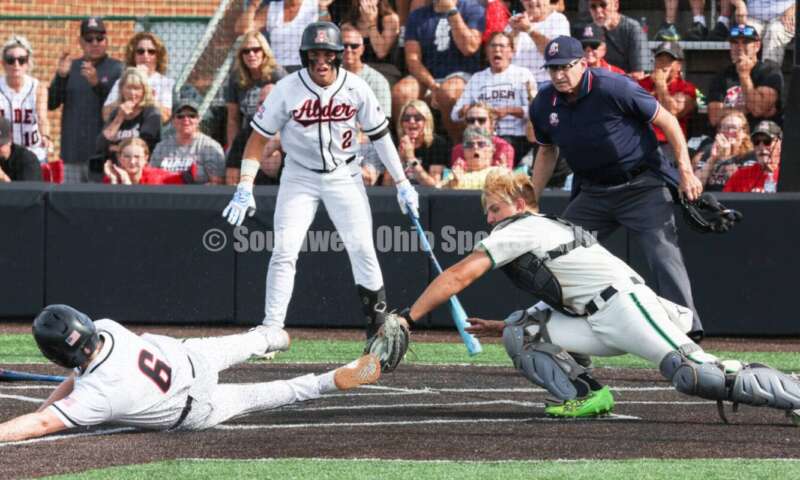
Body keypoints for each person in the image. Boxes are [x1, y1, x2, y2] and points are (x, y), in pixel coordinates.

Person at [384, 168, 800, 420]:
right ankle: (586, 396)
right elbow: (563, 289)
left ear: (514, 203)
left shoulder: (524, 226)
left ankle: (793, 391)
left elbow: (458, 276)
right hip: (596, 316)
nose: (489, 219)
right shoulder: (543, 227)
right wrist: (501, 323)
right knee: (520, 331)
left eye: (492, 209)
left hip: (625, 306)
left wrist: (408, 317)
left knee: (696, 376)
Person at [221, 22, 419, 343]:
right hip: (299, 176)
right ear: (305, 57)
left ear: (339, 56)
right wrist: (245, 184)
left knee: (363, 249)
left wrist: (401, 182)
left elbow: (381, 136)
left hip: (346, 174)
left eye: (328, 54)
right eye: (315, 54)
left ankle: (378, 327)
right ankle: (272, 329)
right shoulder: (286, 88)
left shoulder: (356, 87)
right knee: (284, 250)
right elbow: (257, 139)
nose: (322, 61)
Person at [529, 36, 705, 340]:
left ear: (583, 64)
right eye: (552, 68)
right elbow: (547, 152)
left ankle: (687, 334)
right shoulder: (545, 103)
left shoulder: (614, 87)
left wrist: (686, 172)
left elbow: (669, 122)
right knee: (558, 253)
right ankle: (557, 331)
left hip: (641, 187)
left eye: (565, 67)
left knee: (663, 256)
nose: (558, 75)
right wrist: (529, 200)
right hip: (593, 193)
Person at [0, 304, 380, 442]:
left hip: (192, 406)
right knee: (249, 341)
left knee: (272, 394)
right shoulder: (107, 325)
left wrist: (36, 412)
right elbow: (79, 373)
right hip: (190, 356)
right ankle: (273, 337)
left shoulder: (95, 397)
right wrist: (46, 404)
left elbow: (41, 424)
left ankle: (329, 379)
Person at [391, 0, 485, 140]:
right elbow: (412, 59)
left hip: (463, 75)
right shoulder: (417, 16)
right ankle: (408, 150)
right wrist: (433, 86)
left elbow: (469, 48)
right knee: (401, 92)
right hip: (428, 77)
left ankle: (460, 150)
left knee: (448, 93)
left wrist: (452, 11)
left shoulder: (473, 9)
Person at [49, 16, 123, 184]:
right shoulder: (71, 67)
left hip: (102, 156)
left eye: (99, 38)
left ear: (106, 40)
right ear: (81, 42)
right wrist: (61, 77)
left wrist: (97, 85)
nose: (95, 43)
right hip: (73, 152)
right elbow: (51, 103)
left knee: (98, 206)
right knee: (71, 205)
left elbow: (118, 108)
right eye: (89, 39)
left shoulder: (117, 69)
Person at [451, 32, 537, 166]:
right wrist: (470, 110)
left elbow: (535, 110)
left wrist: (509, 111)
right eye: (493, 46)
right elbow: (454, 115)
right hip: (481, 138)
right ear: (487, 52)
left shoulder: (522, 75)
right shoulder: (477, 78)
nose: (497, 50)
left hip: (515, 137)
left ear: (511, 52)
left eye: (502, 46)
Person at [224, 30, 287, 186]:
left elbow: (289, 109)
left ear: (264, 52)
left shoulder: (277, 75)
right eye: (246, 51)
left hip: (276, 130)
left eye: (256, 50)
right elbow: (233, 117)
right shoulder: (236, 78)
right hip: (250, 130)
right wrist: (232, 148)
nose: (251, 54)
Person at [706, 24, 783, 128]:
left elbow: (757, 109)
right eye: (734, 42)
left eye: (746, 42)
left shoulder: (769, 72)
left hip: (761, 138)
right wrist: (746, 108)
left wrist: (744, 75)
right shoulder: (722, 75)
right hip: (729, 136)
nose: (739, 47)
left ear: (757, 46)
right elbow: (714, 118)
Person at [92, 68, 162, 178]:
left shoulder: (151, 113)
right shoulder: (116, 112)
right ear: (122, 90)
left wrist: (114, 147)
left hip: (140, 173)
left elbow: (142, 147)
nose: (132, 93)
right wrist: (119, 118)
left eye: (137, 88)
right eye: (128, 88)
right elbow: (100, 145)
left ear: (144, 91)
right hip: (114, 172)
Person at [637, 42, 697, 165]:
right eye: (660, 60)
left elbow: (673, 112)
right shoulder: (641, 84)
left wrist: (660, 84)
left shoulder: (686, 88)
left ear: (679, 65)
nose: (663, 66)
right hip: (640, 138)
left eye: (668, 61)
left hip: (669, 142)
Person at [237, 0, 335, 73]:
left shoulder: (314, 5)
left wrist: (322, 8)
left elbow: (327, 34)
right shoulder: (272, 8)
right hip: (276, 70)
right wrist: (254, 5)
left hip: (305, 68)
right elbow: (242, 30)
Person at [102, 32, 174, 124]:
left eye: (151, 52)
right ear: (134, 56)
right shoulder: (121, 81)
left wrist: (145, 87)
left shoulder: (165, 83)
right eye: (140, 51)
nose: (145, 55)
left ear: (158, 56)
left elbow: (165, 117)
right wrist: (122, 98)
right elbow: (105, 115)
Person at [0, 35, 51, 163]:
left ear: (28, 63)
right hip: (4, 155)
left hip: (33, 154)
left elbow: (42, 118)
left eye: (21, 60)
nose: (16, 64)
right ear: (3, 63)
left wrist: (45, 136)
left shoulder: (37, 88)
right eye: (10, 60)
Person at [150, 98, 225, 185]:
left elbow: (216, 183)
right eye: (180, 116)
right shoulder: (161, 147)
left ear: (198, 120)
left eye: (192, 116)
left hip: (198, 196)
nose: (186, 119)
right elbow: (152, 178)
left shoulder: (210, 147)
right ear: (173, 120)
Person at [384, 99, 452, 186]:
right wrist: (399, 159)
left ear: (426, 121)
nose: (412, 121)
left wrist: (411, 159)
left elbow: (433, 186)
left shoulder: (437, 144)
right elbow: (386, 184)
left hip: (426, 197)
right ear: (401, 123)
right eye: (407, 118)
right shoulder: (395, 143)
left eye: (417, 118)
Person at [339, 0, 402, 86]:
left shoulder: (390, 19)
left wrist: (371, 23)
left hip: (384, 70)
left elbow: (381, 52)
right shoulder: (349, 22)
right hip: (355, 70)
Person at [508, 0, 571, 87]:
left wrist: (529, 30)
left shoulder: (558, 20)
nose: (533, 1)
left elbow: (555, 53)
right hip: (515, 85)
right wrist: (513, 33)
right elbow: (503, 57)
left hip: (546, 83)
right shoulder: (516, 19)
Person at [340, 24, 392, 120]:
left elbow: (383, 121)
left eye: (354, 46)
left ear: (362, 49)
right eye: (344, 46)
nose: (348, 50)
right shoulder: (330, 76)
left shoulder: (377, 80)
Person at [693, 110, 755, 190]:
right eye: (724, 127)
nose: (729, 132)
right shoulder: (709, 150)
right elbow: (696, 185)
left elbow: (744, 186)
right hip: (710, 199)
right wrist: (712, 159)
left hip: (736, 200)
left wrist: (726, 158)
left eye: (733, 128)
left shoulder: (751, 154)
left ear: (744, 132)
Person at [587, 0, 646, 79]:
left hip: (625, 85)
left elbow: (638, 74)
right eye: (593, 6)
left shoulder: (632, 28)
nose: (598, 10)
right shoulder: (589, 30)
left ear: (615, 5)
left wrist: (607, 79)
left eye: (603, 5)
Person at [450, 103, 514, 169]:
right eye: (471, 121)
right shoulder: (457, 150)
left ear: (492, 123)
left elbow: (503, 177)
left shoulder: (504, 148)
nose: (476, 124)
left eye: (481, 120)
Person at [441, 127, 509, 189]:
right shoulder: (454, 175)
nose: (475, 148)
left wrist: (503, 180)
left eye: (481, 144)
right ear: (463, 150)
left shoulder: (501, 172)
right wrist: (453, 183)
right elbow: (437, 195)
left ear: (492, 149)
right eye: (469, 145)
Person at [103, 138, 191, 185]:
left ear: (145, 158)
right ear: (119, 158)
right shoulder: (111, 177)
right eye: (127, 156)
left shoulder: (156, 179)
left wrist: (126, 182)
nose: (132, 161)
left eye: (137, 157)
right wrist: (114, 180)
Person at [724, 120, 782, 192]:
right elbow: (723, 202)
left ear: (780, 144)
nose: (761, 146)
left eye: (767, 141)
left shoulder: (792, 176)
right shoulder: (740, 176)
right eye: (756, 142)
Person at [0, 117, 41, 182]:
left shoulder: (27, 160)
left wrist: (3, 178)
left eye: (0, 145)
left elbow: (27, 191)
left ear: (10, 141)